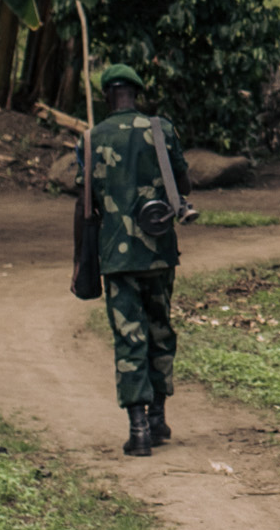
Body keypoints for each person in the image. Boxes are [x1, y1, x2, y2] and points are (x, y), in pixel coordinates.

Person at [72, 64, 193, 458]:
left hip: (116, 257)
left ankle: (138, 428)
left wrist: (80, 263)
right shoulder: (161, 131)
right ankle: (158, 418)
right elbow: (183, 185)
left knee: (129, 336)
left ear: (108, 96)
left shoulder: (91, 140)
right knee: (160, 329)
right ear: (137, 94)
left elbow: (84, 205)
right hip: (159, 252)